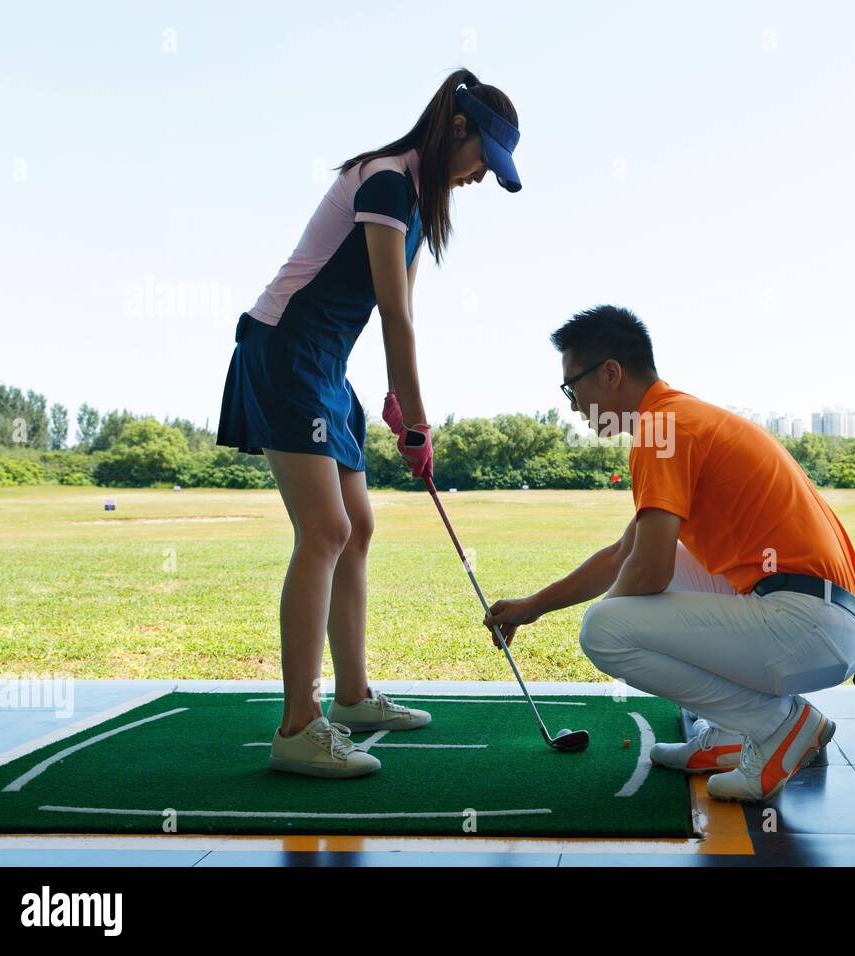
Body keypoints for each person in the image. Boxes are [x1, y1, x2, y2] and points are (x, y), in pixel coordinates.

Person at [215, 69, 522, 778]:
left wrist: (396, 399)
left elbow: (398, 308)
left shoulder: (416, 202)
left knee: (359, 525)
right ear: (457, 128)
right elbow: (394, 315)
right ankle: (298, 726)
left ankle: (351, 696)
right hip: (287, 348)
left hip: (326, 364)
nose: (480, 176)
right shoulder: (385, 180)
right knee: (325, 529)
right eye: (483, 157)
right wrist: (418, 424)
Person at [484, 305, 855, 802]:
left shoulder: (660, 430)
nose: (572, 405)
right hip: (826, 621)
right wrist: (532, 607)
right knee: (631, 598)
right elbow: (624, 554)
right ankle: (731, 735)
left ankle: (779, 726)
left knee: (604, 630)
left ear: (610, 373)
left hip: (809, 626)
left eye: (571, 387)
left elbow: (648, 571)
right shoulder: (676, 419)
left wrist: (612, 615)